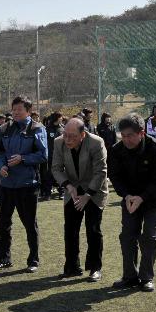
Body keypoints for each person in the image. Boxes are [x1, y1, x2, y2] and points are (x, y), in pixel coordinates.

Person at [109, 113, 156, 292]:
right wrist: (126, 195)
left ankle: (146, 277)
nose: (126, 139)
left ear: (142, 133)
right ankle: (129, 276)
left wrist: (142, 197)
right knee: (127, 236)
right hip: (130, 198)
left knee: (150, 236)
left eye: (130, 135)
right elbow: (115, 176)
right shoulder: (116, 150)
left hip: (154, 199)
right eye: (123, 136)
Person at [0, 95, 48, 272]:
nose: (15, 113)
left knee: (30, 224)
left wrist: (23, 158)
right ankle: (3, 258)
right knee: (3, 224)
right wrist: (1, 167)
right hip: (7, 184)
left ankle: (33, 260)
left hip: (27, 185)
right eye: (14, 109)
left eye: (19, 110)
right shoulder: (4, 129)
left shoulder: (37, 129)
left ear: (28, 111)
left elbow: (43, 155)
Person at [51, 118, 108, 282]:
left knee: (93, 230)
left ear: (83, 134)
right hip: (73, 190)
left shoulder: (96, 142)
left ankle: (95, 268)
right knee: (70, 230)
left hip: (94, 191)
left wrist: (88, 195)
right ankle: (72, 267)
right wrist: (68, 186)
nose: (67, 140)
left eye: (72, 136)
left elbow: (101, 171)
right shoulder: (58, 142)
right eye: (65, 135)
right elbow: (56, 168)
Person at [41, 112, 65, 199]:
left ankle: (62, 192)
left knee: (61, 173)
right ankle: (47, 193)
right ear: (56, 118)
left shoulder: (62, 129)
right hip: (50, 156)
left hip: (60, 156)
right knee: (49, 174)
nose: (62, 119)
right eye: (60, 117)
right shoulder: (47, 129)